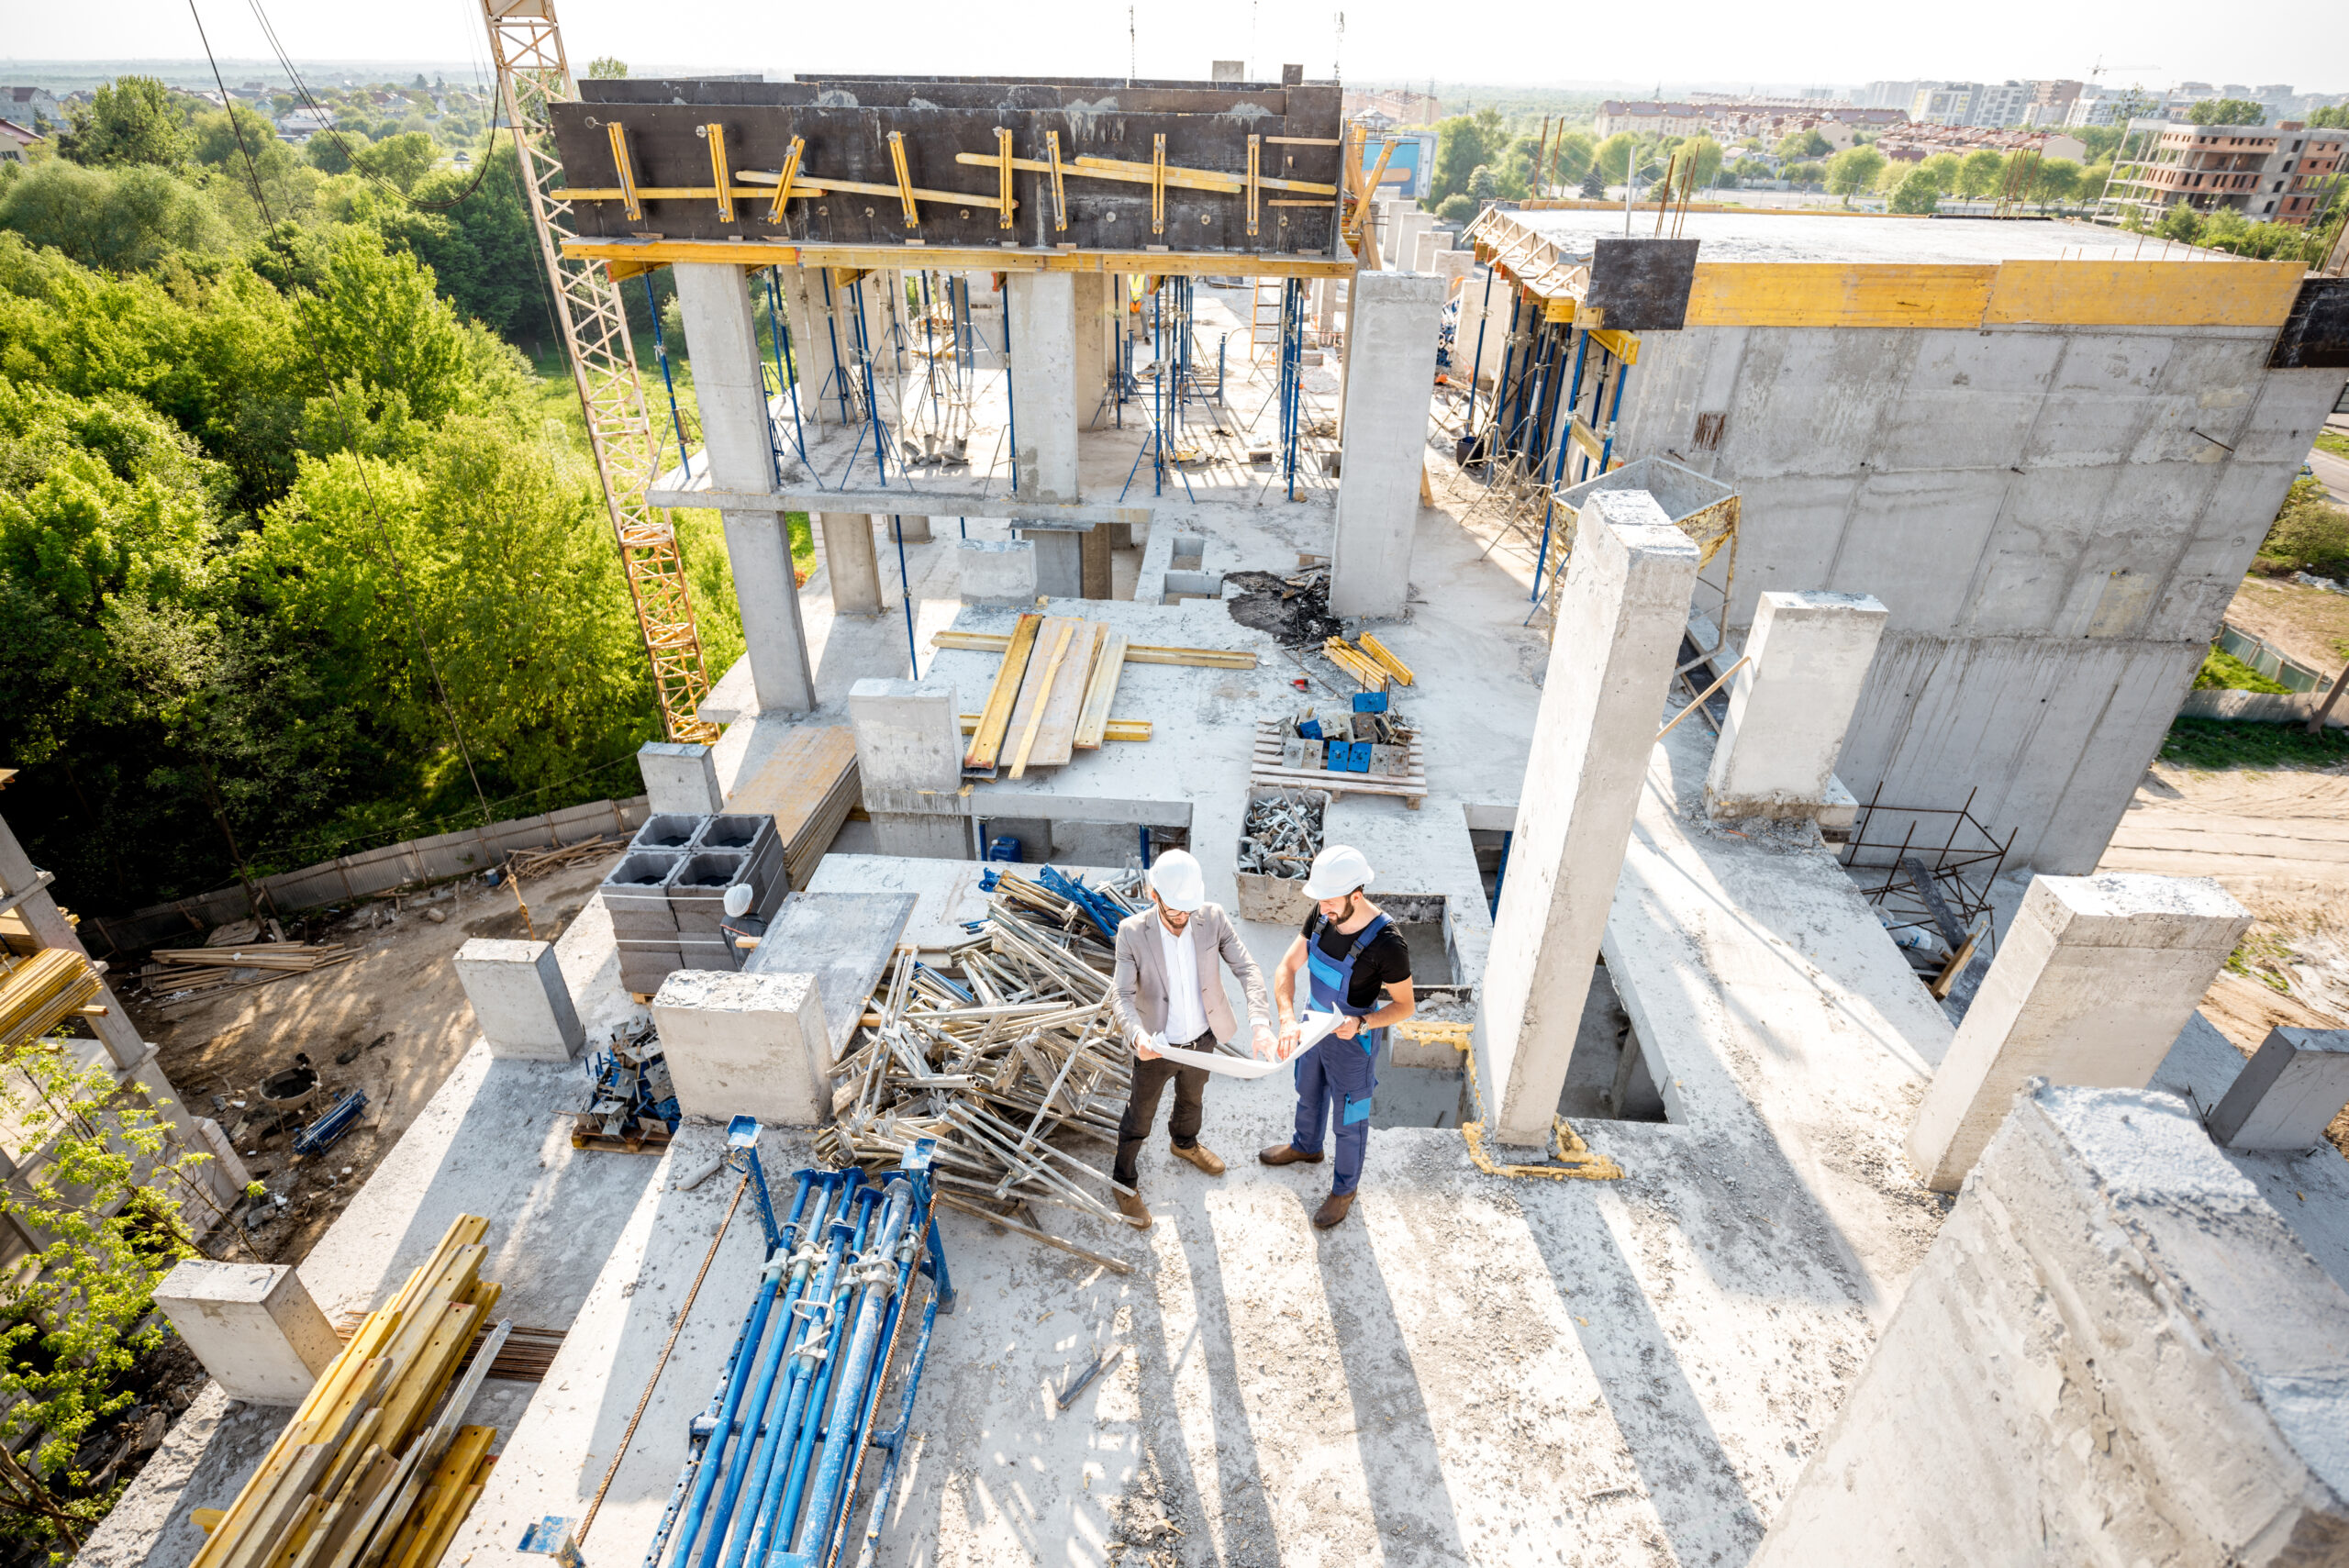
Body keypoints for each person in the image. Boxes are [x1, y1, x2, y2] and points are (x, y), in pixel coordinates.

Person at [1106, 850, 1274, 1230]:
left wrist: (1260, 1021)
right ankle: (1123, 1180)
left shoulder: (1211, 918)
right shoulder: (1132, 932)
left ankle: (1183, 1144)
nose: (1182, 917)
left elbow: (1246, 967)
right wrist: (1138, 1036)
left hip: (1202, 1041)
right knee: (1139, 1115)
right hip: (1157, 1045)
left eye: (1187, 909)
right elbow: (1122, 996)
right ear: (1154, 894)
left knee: (1192, 1100)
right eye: (1174, 909)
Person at [1261, 844, 1415, 1229]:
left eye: (1330, 904)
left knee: (1350, 1120)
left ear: (1356, 896)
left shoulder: (1388, 944)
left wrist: (1363, 1024)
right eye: (1321, 904)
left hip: (1352, 1042)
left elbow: (1405, 1006)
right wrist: (1287, 1018)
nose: (1323, 912)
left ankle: (1345, 1189)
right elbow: (1287, 966)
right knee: (1308, 1093)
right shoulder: (1321, 913)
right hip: (1312, 1028)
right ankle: (1306, 1147)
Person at [718, 884, 766, 961]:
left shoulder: (725, 922)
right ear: (750, 905)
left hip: (740, 963)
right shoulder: (757, 928)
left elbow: (729, 945)